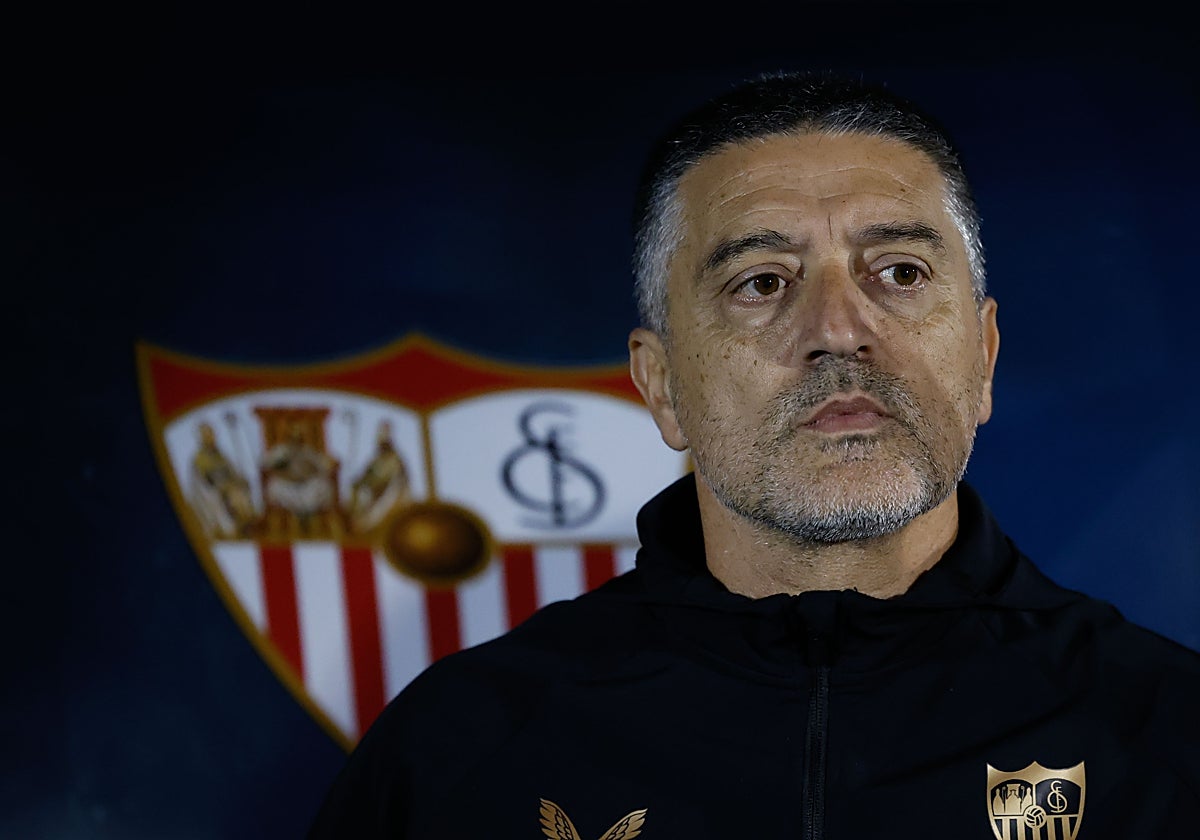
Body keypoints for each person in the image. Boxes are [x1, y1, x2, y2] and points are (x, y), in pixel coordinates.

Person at [307, 71, 1200, 838]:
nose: (841, 330)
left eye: (899, 272)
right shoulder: (460, 753)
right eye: (762, 282)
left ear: (985, 356)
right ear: (661, 386)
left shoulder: (1167, 737)